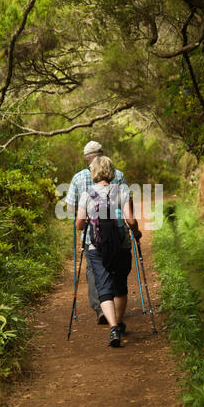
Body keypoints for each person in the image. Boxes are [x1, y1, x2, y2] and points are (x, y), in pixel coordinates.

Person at [76, 156, 142, 347]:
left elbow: (79, 224)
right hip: (121, 245)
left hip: (97, 247)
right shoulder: (121, 190)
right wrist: (136, 233)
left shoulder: (87, 193)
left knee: (103, 287)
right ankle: (119, 323)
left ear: (94, 172)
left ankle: (113, 328)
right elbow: (130, 220)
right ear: (112, 171)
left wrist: (87, 221)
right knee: (120, 285)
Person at [66, 141, 130, 325]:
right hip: (117, 234)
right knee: (116, 268)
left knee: (94, 271)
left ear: (86, 158)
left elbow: (71, 208)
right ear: (103, 154)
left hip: (91, 235)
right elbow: (125, 205)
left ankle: (101, 308)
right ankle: (116, 308)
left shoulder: (78, 178)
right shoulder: (118, 175)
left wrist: (82, 213)